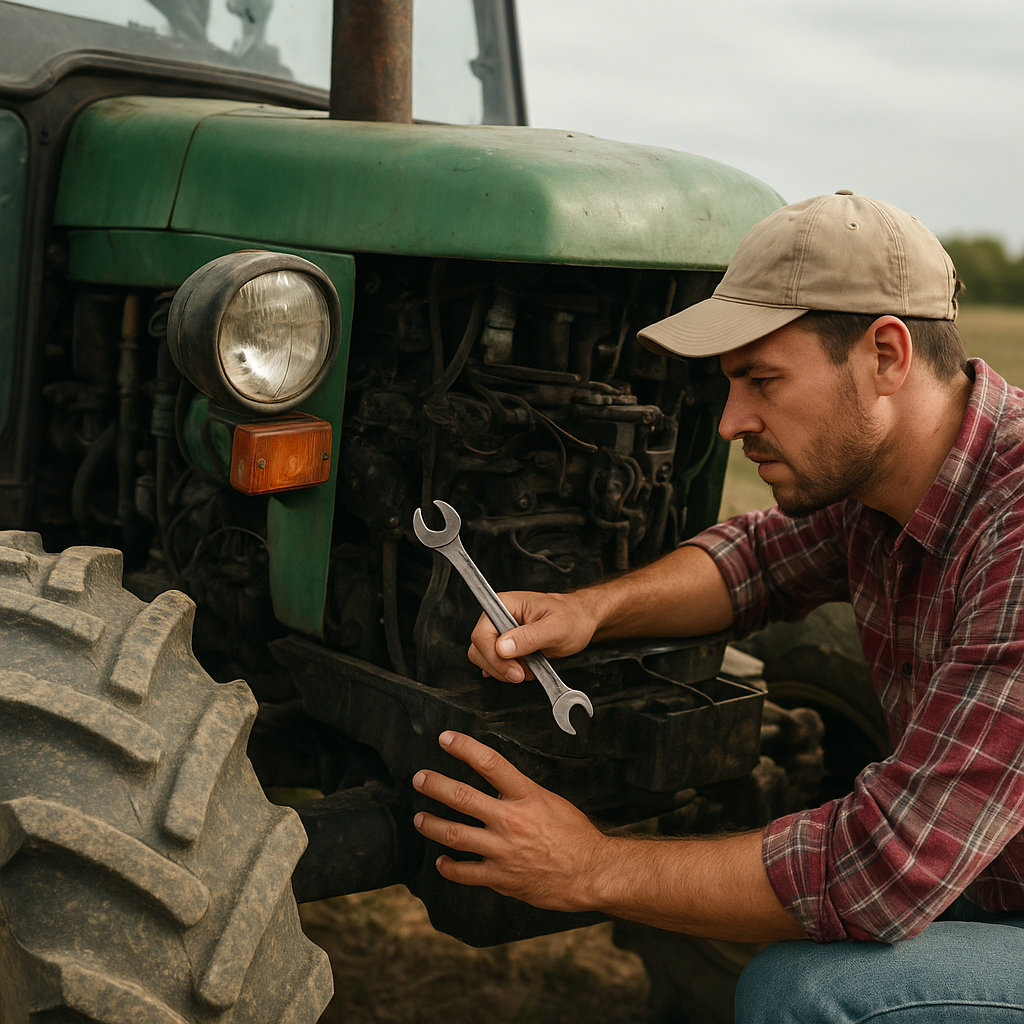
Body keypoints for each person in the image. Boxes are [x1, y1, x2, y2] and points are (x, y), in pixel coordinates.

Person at [411, 191, 1024, 1021]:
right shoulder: (890, 481)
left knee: (803, 997)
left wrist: (589, 865)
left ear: (886, 355)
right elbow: (758, 561)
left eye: (762, 380)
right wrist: (591, 610)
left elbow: (886, 868)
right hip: (988, 881)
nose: (734, 420)